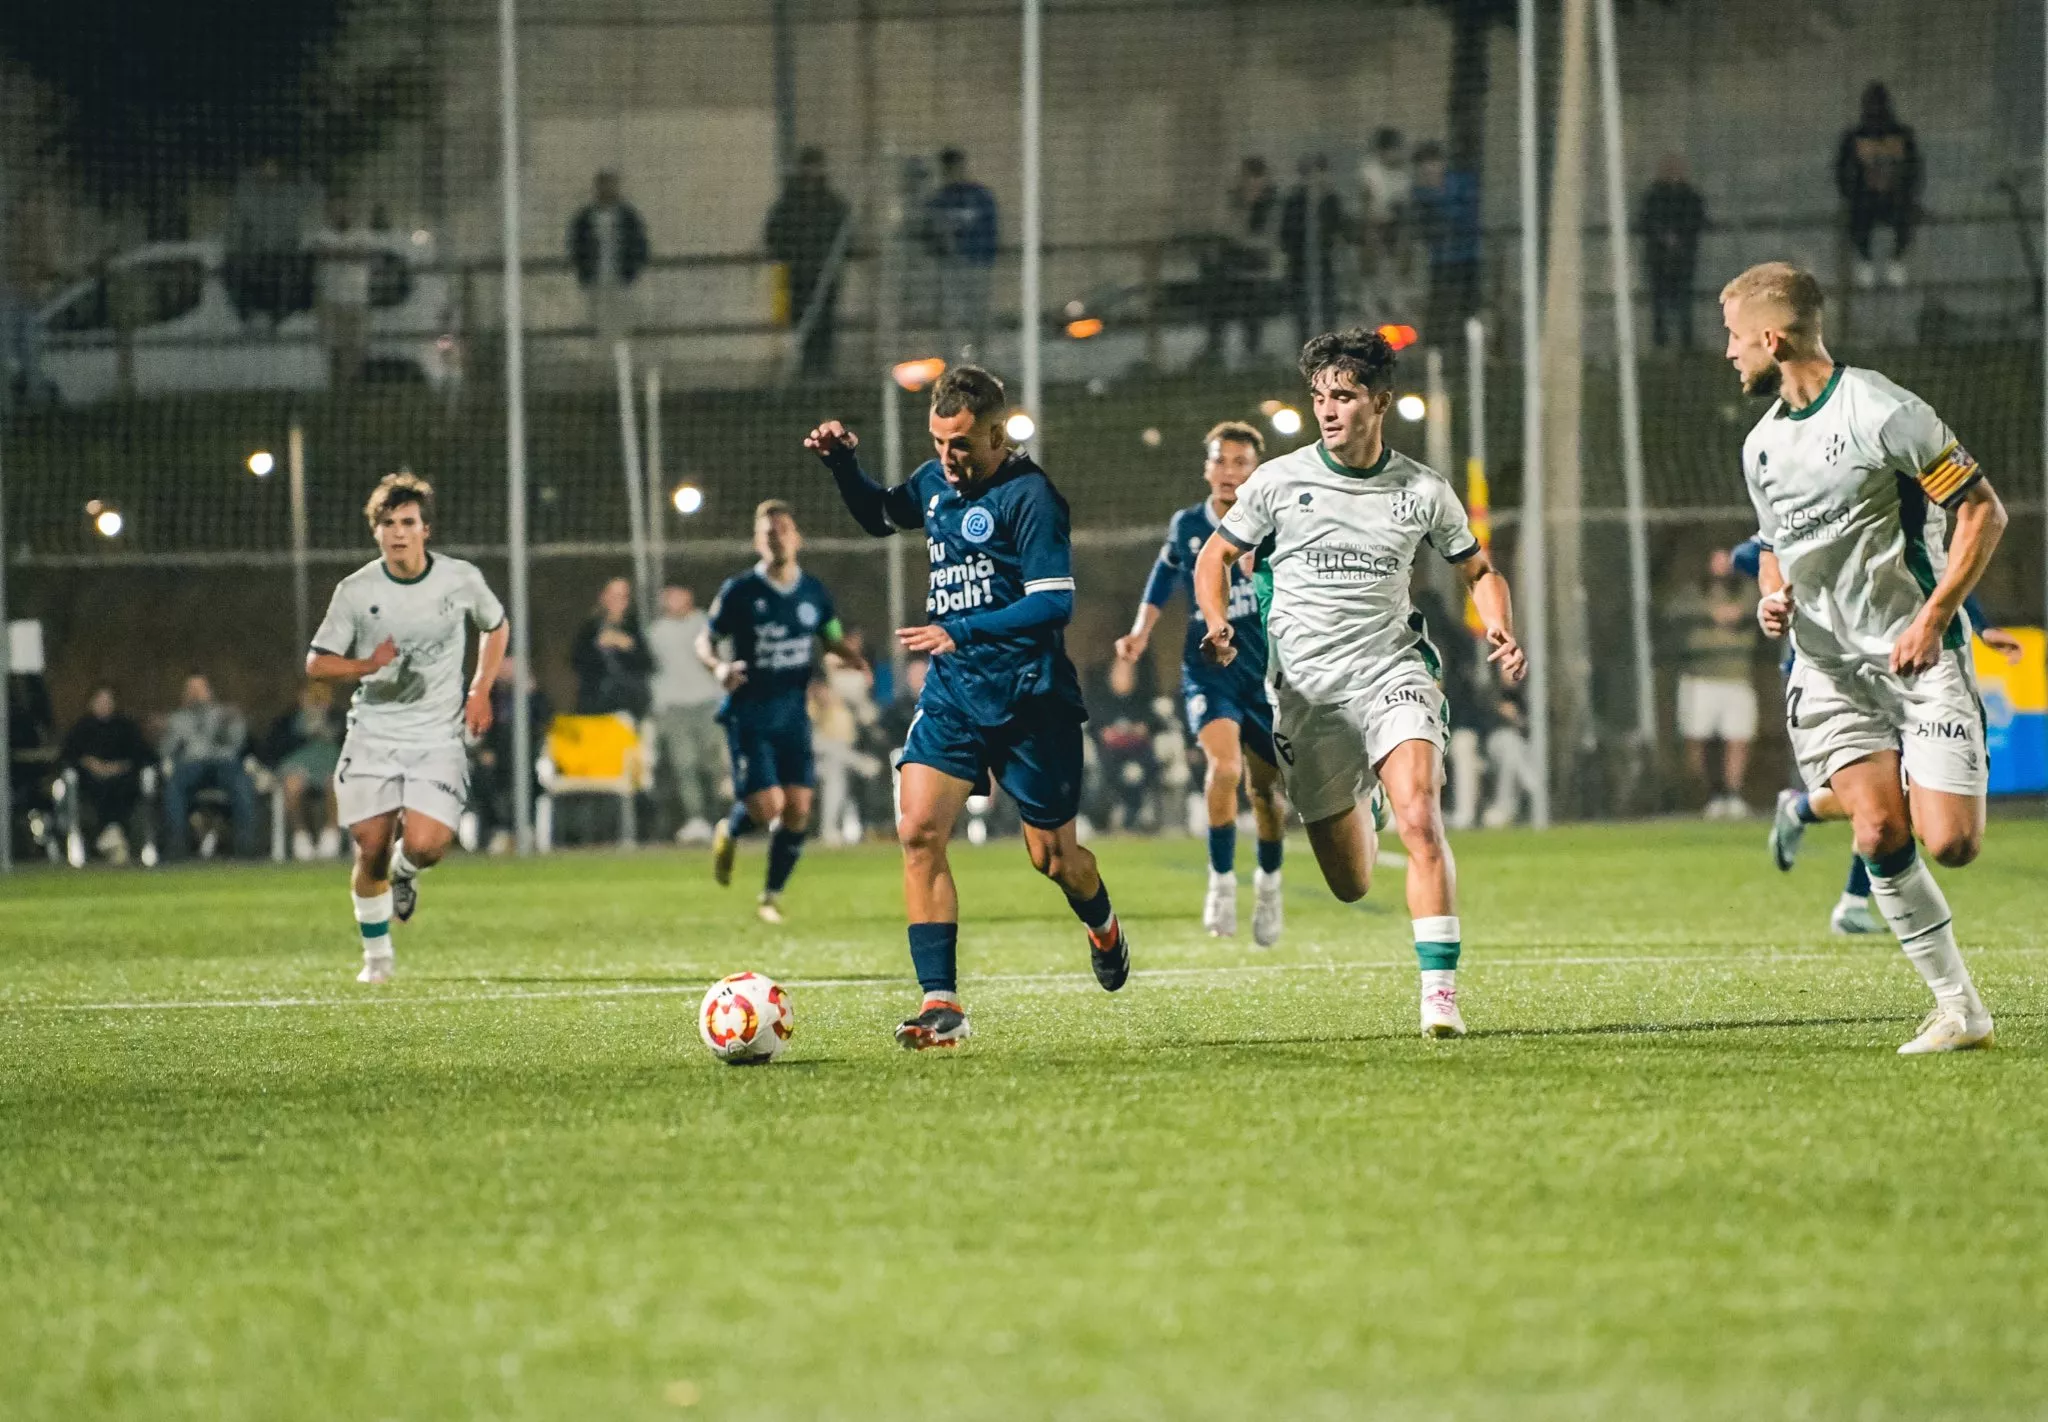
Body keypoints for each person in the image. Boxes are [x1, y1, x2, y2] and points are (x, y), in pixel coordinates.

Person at [1193, 328, 1525, 1039]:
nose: (1329, 410)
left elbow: (1477, 569)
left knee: (1422, 816)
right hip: (1308, 698)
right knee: (1351, 883)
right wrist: (1218, 621)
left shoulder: (1422, 489)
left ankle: (1440, 995)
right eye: (1319, 397)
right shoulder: (1279, 482)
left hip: (1392, 671)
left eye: (1343, 396)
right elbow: (1214, 556)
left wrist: (1498, 624)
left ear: (1380, 401)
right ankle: (1359, 802)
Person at [807, 364, 1132, 1049]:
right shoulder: (933, 484)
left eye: (960, 444)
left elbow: (1054, 601)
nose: (947, 458)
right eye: (936, 442)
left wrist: (964, 628)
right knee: (918, 829)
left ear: (996, 433)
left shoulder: (1031, 496)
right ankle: (941, 1003)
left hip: (1029, 698)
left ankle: (1102, 924)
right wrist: (844, 465)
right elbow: (877, 514)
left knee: (1053, 858)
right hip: (955, 691)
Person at [1724, 261, 2004, 1053]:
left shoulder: (1882, 410)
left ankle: (1917, 770)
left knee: (1951, 843)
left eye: (1734, 337)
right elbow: (1774, 543)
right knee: (1879, 830)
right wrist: (1771, 593)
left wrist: (1934, 616)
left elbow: (1983, 509)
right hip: (1827, 669)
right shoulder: (1762, 446)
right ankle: (1960, 1010)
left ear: (1773, 339)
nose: (1729, 352)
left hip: (1916, 657)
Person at [1740, 535, 2022, 937]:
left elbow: (1937, 572)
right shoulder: (1805, 497)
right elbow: (1751, 552)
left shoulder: (1891, 502)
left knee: (1908, 797)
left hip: (1903, 659)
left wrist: (1980, 626)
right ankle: (1850, 894)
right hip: (1832, 666)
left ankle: (1808, 822)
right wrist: (1783, 590)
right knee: (1887, 792)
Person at [307, 472, 509, 982]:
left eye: (408, 522)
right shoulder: (356, 590)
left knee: (426, 844)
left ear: (426, 529)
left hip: (436, 736)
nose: (398, 532)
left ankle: (406, 873)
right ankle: (377, 960)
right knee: (371, 845)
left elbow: (496, 625)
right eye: (388, 523)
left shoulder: (459, 579)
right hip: (374, 733)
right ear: (376, 532)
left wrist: (480, 688)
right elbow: (317, 663)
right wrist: (364, 666)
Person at [1116, 421, 1291, 944]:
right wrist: (1140, 632)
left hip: (1265, 673)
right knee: (1224, 768)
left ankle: (1269, 886)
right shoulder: (1190, 525)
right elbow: (1164, 574)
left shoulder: (1276, 524)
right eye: (1221, 460)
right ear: (1207, 467)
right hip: (1211, 669)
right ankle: (1220, 885)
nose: (1230, 472)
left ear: (1256, 471)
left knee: (1266, 793)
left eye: (1241, 463)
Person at [700, 500, 864, 923]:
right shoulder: (740, 591)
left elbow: (830, 637)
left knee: (798, 811)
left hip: (793, 714)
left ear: (797, 538)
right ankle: (731, 829)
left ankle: (770, 897)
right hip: (750, 715)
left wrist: (851, 658)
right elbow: (706, 640)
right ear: (758, 541)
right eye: (768, 533)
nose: (776, 538)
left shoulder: (813, 592)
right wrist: (719, 667)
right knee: (768, 808)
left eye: (783, 530)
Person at [1670, 548, 1758, 819]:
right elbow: (1674, 611)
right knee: (1697, 738)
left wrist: (1738, 613)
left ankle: (1732, 795)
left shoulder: (1746, 591)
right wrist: (1712, 613)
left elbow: (1760, 608)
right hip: (1701, 677)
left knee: (1738, 737)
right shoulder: (1694, 593)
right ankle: (1708, 795)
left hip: (1736, 676)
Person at [646, 586, 726, 842]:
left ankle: (718, 816)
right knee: (684, 764)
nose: (671, 602)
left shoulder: (707, 625)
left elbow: (723, 661)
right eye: (667, 597)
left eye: (676, 595)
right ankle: (696, 819)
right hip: (674, 706)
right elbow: (651, 669)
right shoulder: (656, 632)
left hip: (707, 702)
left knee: (713, 764)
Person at [764, 147, 851, 380]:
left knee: (825, 320)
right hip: (799, 273)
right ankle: (806, 366)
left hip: (825, 273)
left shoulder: (831, 204)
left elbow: (845, 235)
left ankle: (823, 367)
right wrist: (789, 255)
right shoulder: (791, 204)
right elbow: (774, 233)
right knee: (801, 317)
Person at [161, 674, 257, 860]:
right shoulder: (177, 719)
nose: (196, 694)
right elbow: (165, 751)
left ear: (210, 692)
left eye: (200, 689)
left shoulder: (225, 714)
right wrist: (168, 734)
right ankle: (177, 845)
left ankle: (245, 846)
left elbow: (238, 744)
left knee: (241, 780)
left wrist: (230, 724)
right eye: (192, 690)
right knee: (174, 784)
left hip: (223, 764)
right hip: (192, 765)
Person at [1835, 83, 1922, 290]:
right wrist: (1851, 194)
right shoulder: (1854, 137)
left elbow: (1914, 169)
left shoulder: (1902, 136)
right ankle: (1865, 262)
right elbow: (1841, 171)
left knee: (1905, 217)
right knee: (1858, 220)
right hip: (1865, 199)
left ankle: (1896, 262)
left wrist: (1909, 193)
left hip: (1896, 199)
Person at [1202, 157, 1280, 367]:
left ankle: (1252, 353)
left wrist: (1246, 240)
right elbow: (1225, 229)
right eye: (1248, 178)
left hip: (1256, 268)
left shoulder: (1270, 203)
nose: (1252, 184)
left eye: (1257, 178)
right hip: (1231, 266)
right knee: (1221, 309)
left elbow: (1266, 237)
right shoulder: (1234, 201)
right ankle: (1216, 352)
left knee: (1253, 312)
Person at [60, 686, 151, 863]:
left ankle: (112, 834)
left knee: (122, 789)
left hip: (122, 777)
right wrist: (91, 764)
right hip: (89, 780)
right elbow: (69, 756)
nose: (104, 705)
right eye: (100, 701)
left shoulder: (125, 727)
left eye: (108, 701)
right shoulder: (81, 728)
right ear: (91, 703)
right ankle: (111, 834)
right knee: (98, 790)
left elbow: (142, 754)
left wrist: (118, 766)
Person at [926, 148, 1000, 361]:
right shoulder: (939, 200)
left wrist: (983, 257)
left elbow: (991, 230)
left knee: (978, 316)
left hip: (976, 264)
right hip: (949, 267)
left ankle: (980, 360)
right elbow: (929, 234)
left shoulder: (979, 196)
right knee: (951, 317)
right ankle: (952, 363)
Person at [472, 655, 550, 855]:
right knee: (483, 779)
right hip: (497, 758)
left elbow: (545, 722)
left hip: (529, 757)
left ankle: (526, 830)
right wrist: (485, 750)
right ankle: (498, 831)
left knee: (531, 780)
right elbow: (481, 726)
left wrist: (531, 694)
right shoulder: (491, 695)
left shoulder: (533, 696)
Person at [260, 679, 347, 860]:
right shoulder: (287, 721)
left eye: (320, 695)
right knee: (292, 784)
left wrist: (328, 729)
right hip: (297, 767)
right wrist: (304, 734)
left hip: (330, 766)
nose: (315, 700)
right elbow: (273, 750)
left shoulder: (340, 719)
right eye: (310, 695)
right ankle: (301, 837)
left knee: (336, 782)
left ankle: (332, 834)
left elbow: (351, 746)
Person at [567, 171, 651, 349]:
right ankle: (601, 363)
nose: (607, 190)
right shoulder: (585, 218)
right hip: (595, 279)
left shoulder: (628, 217)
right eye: (603, 186)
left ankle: (622, 362)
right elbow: (575, 245)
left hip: (622, 279)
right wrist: (583, 271)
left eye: (611, 186)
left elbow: (641, 245)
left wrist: (633, 271)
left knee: (622, 324)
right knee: (597, 324)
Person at [1410, 142, 1482, 346]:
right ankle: (1436, 351)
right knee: (1440, 306)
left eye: (1431, 164)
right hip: (1441, 260)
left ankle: (1468, 347)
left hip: (1468, 256)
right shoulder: (1421, 193)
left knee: (1468, 305)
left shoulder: (1461, 184)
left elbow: (1466, 214)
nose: (1428, 171)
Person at [1279, 156, 1347, 351]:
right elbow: (1286, 235)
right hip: (1299, 264)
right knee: (1302, 310)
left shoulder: (1331, 200)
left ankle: (1329, 347)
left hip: (1325, 264)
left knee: (1328, 306)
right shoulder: (1295, 201)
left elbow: (1340, 229)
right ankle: (1306, 348)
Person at [1640, 155, 1707, 349]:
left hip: (1684, 254)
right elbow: (1647, 221)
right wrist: (1663, 237)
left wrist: (1681, 238)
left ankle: (1687, 340)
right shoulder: (1654, 195)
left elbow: (1697, 219)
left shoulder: (1690, 195)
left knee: (1684, 297)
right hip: (1658, 255)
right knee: (1659, 298)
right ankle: (1660, 340)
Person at [310, 200, 374, 386]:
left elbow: (362, 254)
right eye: (338, 209)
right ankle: (334, 382)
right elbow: (323, 254)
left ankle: (353, 383)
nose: (343, 214)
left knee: (356, 344)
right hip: (331, 299)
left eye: (346, 209)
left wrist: (336, 254)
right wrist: (348, 253)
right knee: (332, 343)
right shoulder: (322, 234)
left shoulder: (363, 234)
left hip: (357, 299)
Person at [571, 578, 655, 719]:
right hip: (597, 704)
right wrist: (596, 647)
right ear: (603, 596)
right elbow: (577, 662)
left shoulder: (635, 626)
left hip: (630, 704)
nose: (618, 601)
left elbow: (648, 664)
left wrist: (629, 647)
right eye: (613, 595)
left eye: (623, 596)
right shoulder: (589, 628)